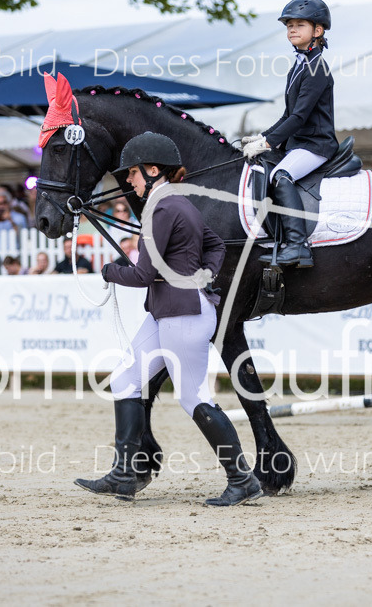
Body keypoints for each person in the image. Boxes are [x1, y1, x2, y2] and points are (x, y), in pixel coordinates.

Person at [76, 132, 262, 507]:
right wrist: (205, 274)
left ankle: (242, 480)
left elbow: (143, 274)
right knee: (125, 381)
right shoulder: (179, 204)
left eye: (132, 173)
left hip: (183, 316)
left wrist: (110, 271)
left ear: (153, 170)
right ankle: (125, 475)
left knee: (194, 398)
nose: (128, 180)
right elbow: (215, 246)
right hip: (167, 312)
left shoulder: (160, 210)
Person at [241, 0, 337, 268]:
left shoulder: (317, 69)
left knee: (281, 176)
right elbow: (287, 115)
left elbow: (299, 117)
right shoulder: (299, 66)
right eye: (289, 25)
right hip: (299, 142)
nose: (292, 29)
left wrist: (268, 143)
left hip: (316, 144)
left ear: (318, 30)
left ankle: (298, 246)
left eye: (299, 25)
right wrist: (262, 138)